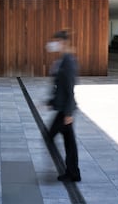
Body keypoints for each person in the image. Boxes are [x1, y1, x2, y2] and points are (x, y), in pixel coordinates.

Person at [46, 30, 81, 182]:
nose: (53, 44)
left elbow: (69, 88)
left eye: (56, 41)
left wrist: (68, 113)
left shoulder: (68, 61)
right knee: (69, 142)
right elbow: (59, 85)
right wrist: (51, 101)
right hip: (63, 108)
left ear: (63, 42)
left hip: (65, 110)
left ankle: (71, 171)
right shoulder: (63, 59)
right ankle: (73, 172)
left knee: (50, 137)